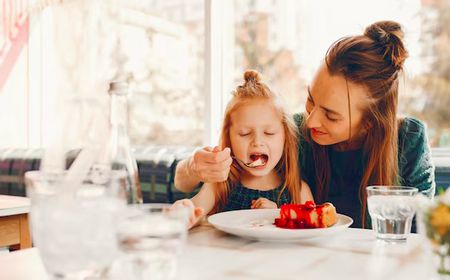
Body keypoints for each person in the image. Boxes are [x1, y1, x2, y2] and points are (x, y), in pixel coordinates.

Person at [174, 21, 435, 228]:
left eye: (331, 115)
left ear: (369, 123)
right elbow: (187, 182)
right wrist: (195, 166)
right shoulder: (294, 131)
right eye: (311, 100)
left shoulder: (409, 140)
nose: (311, 120)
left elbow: (421, 232)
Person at [173, 70, 313, 228]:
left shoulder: (298, 190)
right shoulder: (220, 184)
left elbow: (310, 228)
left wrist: (278, 216)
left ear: (286, 138)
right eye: (244, 133)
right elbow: (196, 211)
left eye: (269, 133)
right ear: (230, 138)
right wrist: (184, 212)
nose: (257, 142)